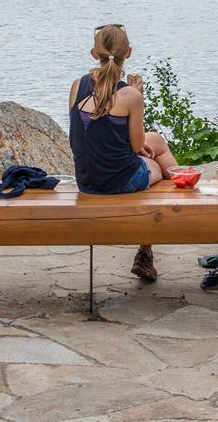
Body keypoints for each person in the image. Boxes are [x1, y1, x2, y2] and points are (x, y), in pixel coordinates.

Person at [66, 23, 179, 281]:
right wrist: (137, 95)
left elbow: (90, 135)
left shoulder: (77, 85)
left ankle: (148, 251)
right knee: (159, 163)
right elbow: (136, 145)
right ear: (128, 53)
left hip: (87, 180)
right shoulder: (130, 95)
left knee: (156, 142)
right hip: (118, 180)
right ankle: (146, 251)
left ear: (94, 54)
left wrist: (139, 147)